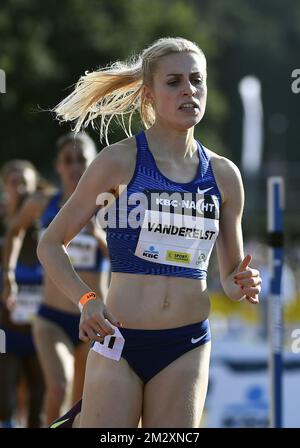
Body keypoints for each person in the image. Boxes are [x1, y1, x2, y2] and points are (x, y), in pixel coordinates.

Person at [38, 37, 262, 428]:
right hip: (120, 342)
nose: (189, 90)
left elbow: (227, 280)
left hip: (186, 344)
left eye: (197, 80)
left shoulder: (225, 176)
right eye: (174, 81)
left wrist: (242, 282)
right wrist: (87, 298)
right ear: (149, 93)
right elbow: (51, 244)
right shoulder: (119, 162)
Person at [3, 133, 109, 426]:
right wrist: (9, 273)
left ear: (95, 164)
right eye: (68, 160)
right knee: (58, 387)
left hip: (96, 321)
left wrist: (100, 238)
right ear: (58, 166)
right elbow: (14, 230)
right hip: (52, 318)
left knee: (82, 405)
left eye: (82, 160)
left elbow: (129, 259)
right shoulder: (43, 204)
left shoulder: (109, 207)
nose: (75, 167)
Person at [0, 160, 45, 427]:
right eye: (13, 183)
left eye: (24, 183)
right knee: (4, 403)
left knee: (37, 409)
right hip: (4, 331)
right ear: (5, 188)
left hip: (40, 331)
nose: (19, 189)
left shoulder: (51, 234)